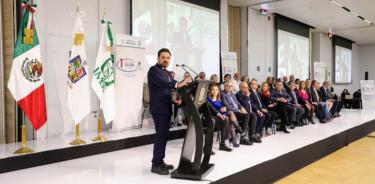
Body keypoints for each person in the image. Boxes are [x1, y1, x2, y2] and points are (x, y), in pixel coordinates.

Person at [148, 48, 190, 175]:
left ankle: (160, 161)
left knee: (163, 136)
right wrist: (179, 84)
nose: (165, 60)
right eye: (163, 57)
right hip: (159, 108)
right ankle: (156, 164)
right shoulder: (154, 70)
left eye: (168, 58)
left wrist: (175, 99)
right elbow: (164, 84)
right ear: (158, 58)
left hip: (166, 107)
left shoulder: (166, 72)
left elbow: (171, 84)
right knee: (160, 136)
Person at [221, 81, 255, 145]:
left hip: (237, 111)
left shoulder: (232, 94)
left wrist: (241, 107)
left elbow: (237, 103)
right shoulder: (222, 94)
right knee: (246, 116)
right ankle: (242, 134)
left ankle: (245, 136)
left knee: (249, 115)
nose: (230, 88)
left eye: (231, 86)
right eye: (228, 86)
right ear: (225, 87)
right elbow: (226, 105)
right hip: (231, 112)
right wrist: (238, 110)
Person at [206, 84, 234, 151]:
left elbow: (224, 109)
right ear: (210, 91)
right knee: (213, 121)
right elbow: (212, 108)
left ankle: (222, 144)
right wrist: (219, 112)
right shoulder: (208, 99)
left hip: (218, 117)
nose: (215, 91)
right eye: (213, 89)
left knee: (226, 119)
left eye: (216, 90)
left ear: (218, 91)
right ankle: (207, 147)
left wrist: (224, 114)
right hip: (210, 117)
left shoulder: (220, 100)